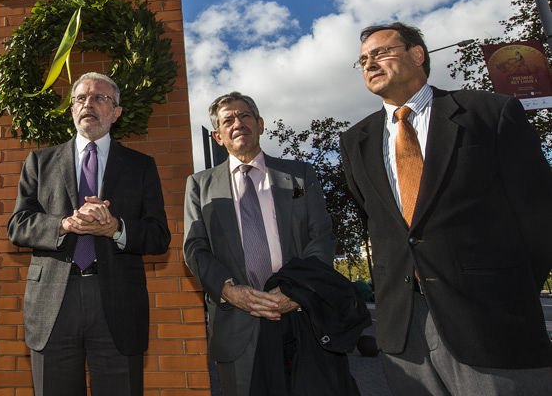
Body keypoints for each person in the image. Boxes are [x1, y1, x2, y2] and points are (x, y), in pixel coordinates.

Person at [340, 22, 552, 395]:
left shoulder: (488, 112)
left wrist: (505, 291)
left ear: (418, 54)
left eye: (381, 53)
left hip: (491, 322)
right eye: (362, 60)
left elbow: (539, 216)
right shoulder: (356, 141)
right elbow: (378, 223)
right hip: (404, 333)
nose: (369, 63)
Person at [8, 72, 170, 396]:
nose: (89, 104)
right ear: (71, 110)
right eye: (81, 98)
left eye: (100, 98)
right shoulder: (39, 162)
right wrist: (63, 225)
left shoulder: (141, 166)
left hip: (118, 304)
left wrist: (117, 228)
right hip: (53, 303)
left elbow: (158, 235)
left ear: (116, 112)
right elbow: (18, 224)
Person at [183, 92, 335, 396]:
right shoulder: (199, 186)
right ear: (218, 136)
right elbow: (194, 249)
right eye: (228, 120)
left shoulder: (300, 176)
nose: (237, 123)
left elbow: (321, 236)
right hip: (238, 324)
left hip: (301, 316)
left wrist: (298, 291)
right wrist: (228, 290)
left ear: (260, 124)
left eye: (244, 116)